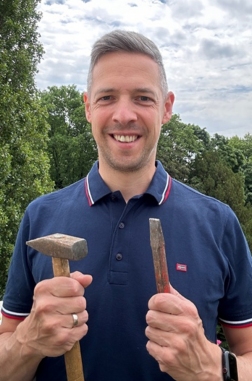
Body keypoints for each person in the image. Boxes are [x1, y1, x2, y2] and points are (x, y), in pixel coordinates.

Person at [0, 29, 252, 381]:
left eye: (143, 98)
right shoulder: (40, 216)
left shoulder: (219, 223)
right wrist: (28, 341)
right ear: (88, 107)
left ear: (166, 108)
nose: (124, 115)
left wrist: (214, 367)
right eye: (107, 98)